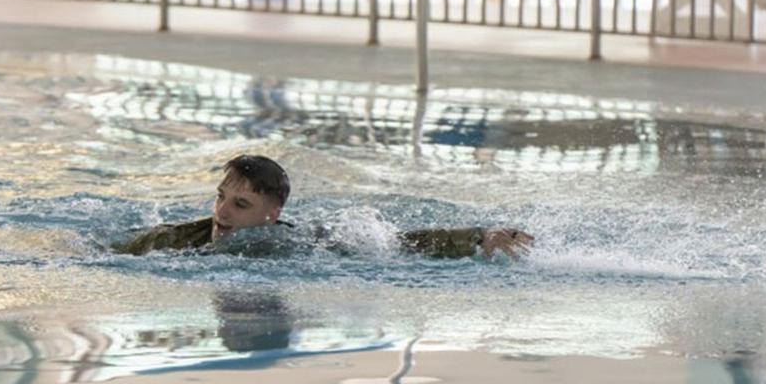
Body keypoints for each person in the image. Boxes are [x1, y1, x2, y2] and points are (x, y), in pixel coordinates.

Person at [114, 154, 534, 258]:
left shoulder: (302, 245)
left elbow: (394, 245)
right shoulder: (172, 240)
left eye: (241, 204)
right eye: (221, 197)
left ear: (271, 214)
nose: (221, 214)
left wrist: (477, 238)